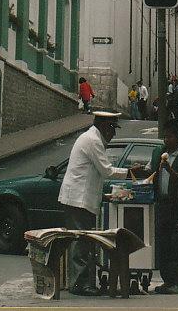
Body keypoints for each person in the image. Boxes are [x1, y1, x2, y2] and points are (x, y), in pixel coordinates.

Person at [58, 111, 131, 296]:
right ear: (105, 126)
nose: (114, 134)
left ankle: (84, 282)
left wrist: (103, 197)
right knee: (81, 242)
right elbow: (106, 170)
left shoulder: (93, 138)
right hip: (78, 199)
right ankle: (79, 284)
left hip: (83, 199)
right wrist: (129, 172)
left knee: (85, 241)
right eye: (113, 128)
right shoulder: (92, 140)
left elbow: (93, 176)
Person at [143, 118, 178, 295]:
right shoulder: (158, 153)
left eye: (170, 137)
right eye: (165, 137)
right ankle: (168, 280)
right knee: (162, 243)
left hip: (177, 204)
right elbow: (150, 170)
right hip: (162, 204)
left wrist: (169, 169)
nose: (166, 140)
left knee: (176, 244)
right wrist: (140, 169)